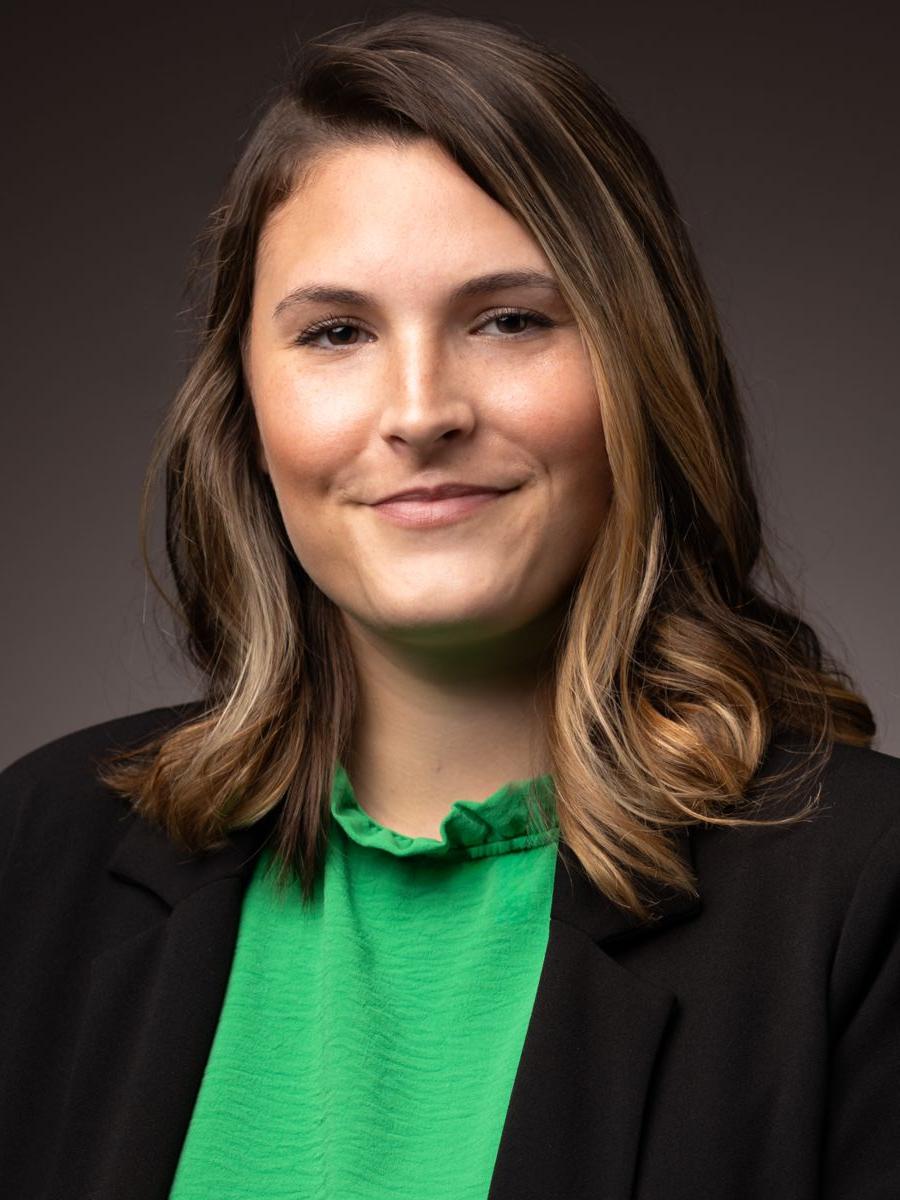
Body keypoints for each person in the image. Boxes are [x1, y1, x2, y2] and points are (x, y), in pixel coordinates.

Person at [1, 10, 897, 1199]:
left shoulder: (864, 895)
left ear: (641, 368)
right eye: (336, 332)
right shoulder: (34, 850)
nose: (421, 411)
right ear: (246, 415)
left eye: (511, 319)